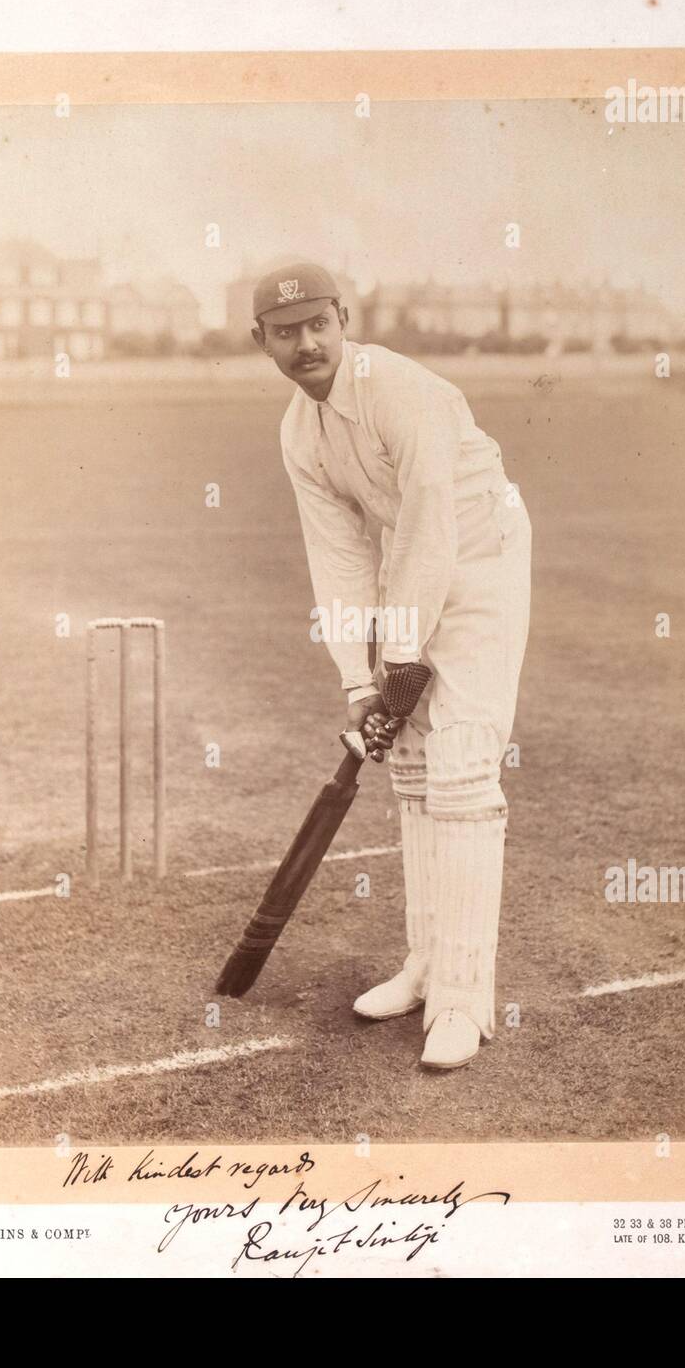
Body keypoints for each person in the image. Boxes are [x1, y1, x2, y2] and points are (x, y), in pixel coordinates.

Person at [252, 263, 531, 1069]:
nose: (306, 344)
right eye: (285, 331)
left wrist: (401, 654)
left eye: (318, 325)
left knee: (463, 771)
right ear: (261, 341)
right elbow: (339, 556)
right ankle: (426, 965)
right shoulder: (299, 433)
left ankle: (465, 1001)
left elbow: (432, 526)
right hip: (411, 563)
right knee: (411, 772)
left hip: (482, 559)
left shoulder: (398, 391)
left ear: (344, 319)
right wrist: (358, 677)